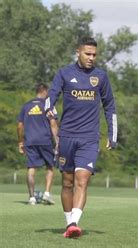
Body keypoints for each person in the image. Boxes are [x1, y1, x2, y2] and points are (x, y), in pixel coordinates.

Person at [45, 37, 117, 238]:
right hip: (66, 136)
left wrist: (113, 134)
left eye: (94, 54)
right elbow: (50, 97)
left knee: (82, 179)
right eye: (88, 54)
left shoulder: (100, 77)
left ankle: (75, 222)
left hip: (89, 137)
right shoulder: (64, 73)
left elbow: (110, 106)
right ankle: (70, 224)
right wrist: (49, 110)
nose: (91, 58)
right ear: (78, 51)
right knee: (67, 182)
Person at [17, 83, 59, 205]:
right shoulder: (48, 105)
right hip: (45, 141)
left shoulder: (26, 106)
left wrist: (20, 141)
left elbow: (20, 125)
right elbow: (53, 124)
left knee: (31, 168)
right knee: (50, 167)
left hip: (30, 141)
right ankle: (47, 194)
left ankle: (31, 198)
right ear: (45, 92)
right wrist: (57, 141)